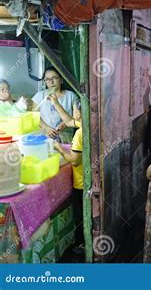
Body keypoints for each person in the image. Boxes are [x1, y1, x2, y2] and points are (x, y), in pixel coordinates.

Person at [49, 93, 85, 254]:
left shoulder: (79, 134)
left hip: (82, 183)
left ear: (81, 113)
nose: (74, 112)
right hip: (87, 180)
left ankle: (83, 244)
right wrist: (55, 102)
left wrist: (57, 148)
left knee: (82, 215)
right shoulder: (87, 125)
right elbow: (69, 121)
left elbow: (74, 160)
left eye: (76, 109)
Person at [32, 67, 79, 143]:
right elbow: (33, 116)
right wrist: (46, 128)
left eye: (54, 78)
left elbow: (77, 117)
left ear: (61, 79)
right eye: (47, 79)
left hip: (65, 139)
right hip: (44, 138)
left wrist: (66, 124)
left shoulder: (71, 96)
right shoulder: (39, 96)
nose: (51, 82)